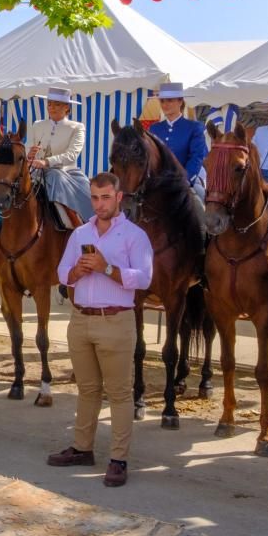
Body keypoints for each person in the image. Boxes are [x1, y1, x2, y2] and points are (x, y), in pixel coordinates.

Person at [48, 172, 155, 486]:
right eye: (95, 197)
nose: (99, 204)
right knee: (87, 389)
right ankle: (82, 448)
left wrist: (107, 268)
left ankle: (118, 459)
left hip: (116, 320)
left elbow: (145, 278)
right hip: (81, 318)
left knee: (120, 393)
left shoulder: (135, 236)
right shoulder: (80, 233)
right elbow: (61, 273)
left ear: (119, 197)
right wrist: (77, 272)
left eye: (106, 197)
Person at [27, 86, 91, 227]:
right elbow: (28, 148)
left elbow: (72, 154)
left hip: (66, 173)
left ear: (67, 107)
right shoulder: (37, 125)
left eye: (57, 104)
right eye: (49, 103)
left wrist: (47, 162)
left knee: (88, 199)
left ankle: (78, 227)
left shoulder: (76, 127)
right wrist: (29, 154)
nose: (52, 107)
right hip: (36, 172)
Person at [148, 82, 208, 198]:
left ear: (180, 101)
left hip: (185, 182)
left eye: (170, 100)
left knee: (200, 197)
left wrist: (185, 180)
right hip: (158, 183)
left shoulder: (194, 127)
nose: (165, 105)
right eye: (162, 101)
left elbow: (196, 156)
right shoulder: (154, 129)